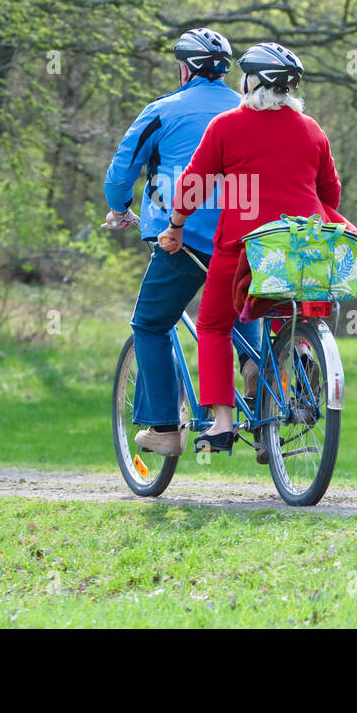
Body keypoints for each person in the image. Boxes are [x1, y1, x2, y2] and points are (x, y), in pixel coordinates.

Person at [157, 41, 357, 454]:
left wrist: (175, 227)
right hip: (303, 250)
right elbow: (330, 193)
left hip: (243, 250)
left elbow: (193, 184)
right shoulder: (312, 129)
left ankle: (222, 424)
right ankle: (287, 384)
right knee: (286, 312)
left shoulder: (227, 126)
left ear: (252, 81)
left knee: (213, 325)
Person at [103, 28, 262, 457]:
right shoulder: (247, 109)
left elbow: (122, 170)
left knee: (151, 323)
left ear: (185, 67)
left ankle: (164, 428)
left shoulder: (162, 110)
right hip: (242, 234)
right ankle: (255, 369)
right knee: (239, 304)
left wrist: (119, 208)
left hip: (183, 235)